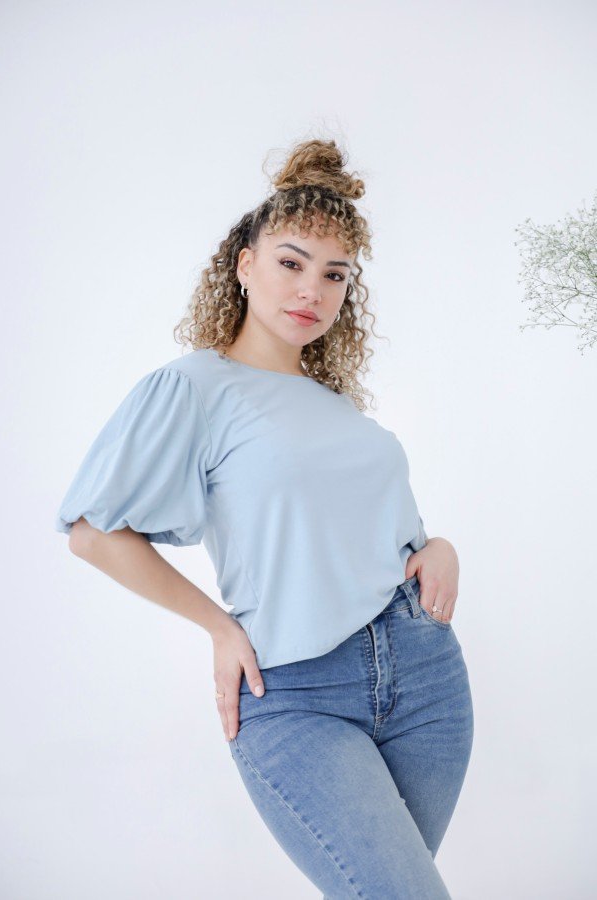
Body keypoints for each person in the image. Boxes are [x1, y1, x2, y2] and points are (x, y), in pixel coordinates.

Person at [55, 137, 474, 898]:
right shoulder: (195, 387)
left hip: (426, 678)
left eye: (334, 274)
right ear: (244, 264)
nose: (312, 289)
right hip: (298, 693)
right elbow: (93, 532)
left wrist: (438, 545)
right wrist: (219, 627)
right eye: (291, 262)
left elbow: (381, 532)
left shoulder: (338, 407)